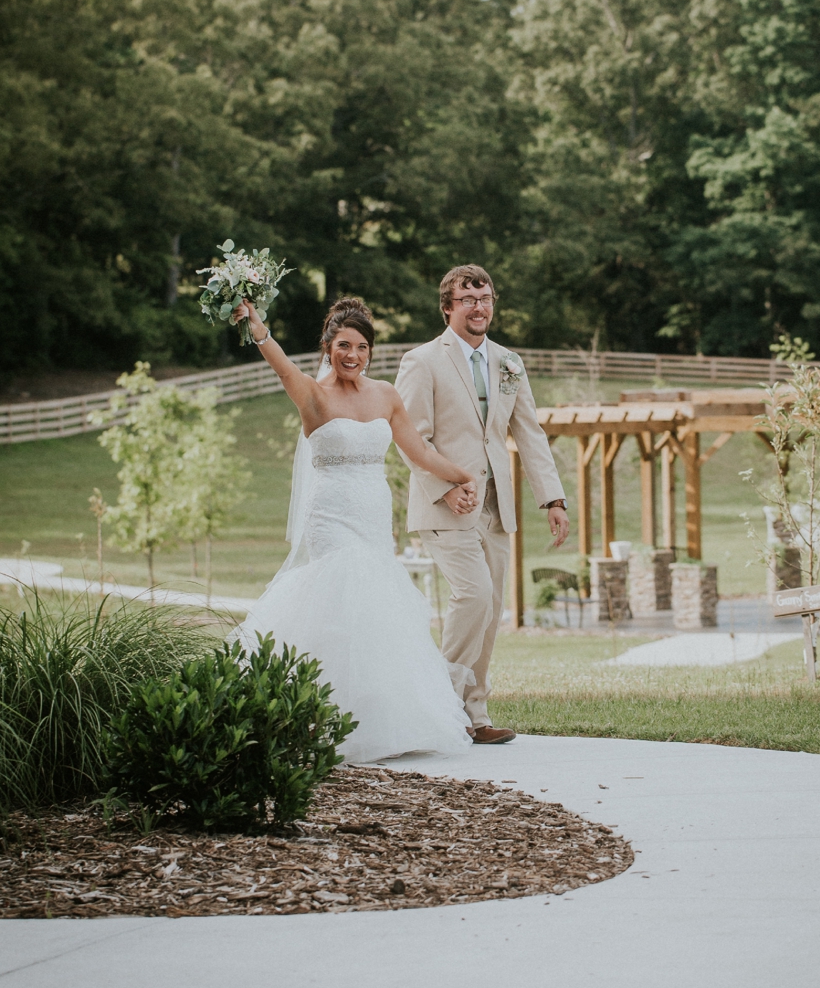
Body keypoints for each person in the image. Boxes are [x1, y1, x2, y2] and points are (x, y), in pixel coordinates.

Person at [229, 296, 475, 762]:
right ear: (327, 346)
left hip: (374, 514)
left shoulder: (386, 395)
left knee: (376, 604)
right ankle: (315, 714)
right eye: (344, 345)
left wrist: (461, 475)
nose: (353, 355)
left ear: (370, 352)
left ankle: (379, 719)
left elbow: (419, 453)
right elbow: (282, 368)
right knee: (341, 595)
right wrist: (258, 327)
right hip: (332, 515)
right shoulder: (312, 395)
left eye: (362, 347)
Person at [394, 266, 567, 746]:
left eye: (485, 297)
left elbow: (529, 433)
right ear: (447, 307)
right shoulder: (422, 360)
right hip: (444, 504)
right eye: (467, 299)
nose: (478, 307)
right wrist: (445, 485)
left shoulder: (509, 362)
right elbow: (410, 438)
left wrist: (552, 498)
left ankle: (476, 714)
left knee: (491, 610)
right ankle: (439, 702)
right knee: (474, 596)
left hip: (496, 506)